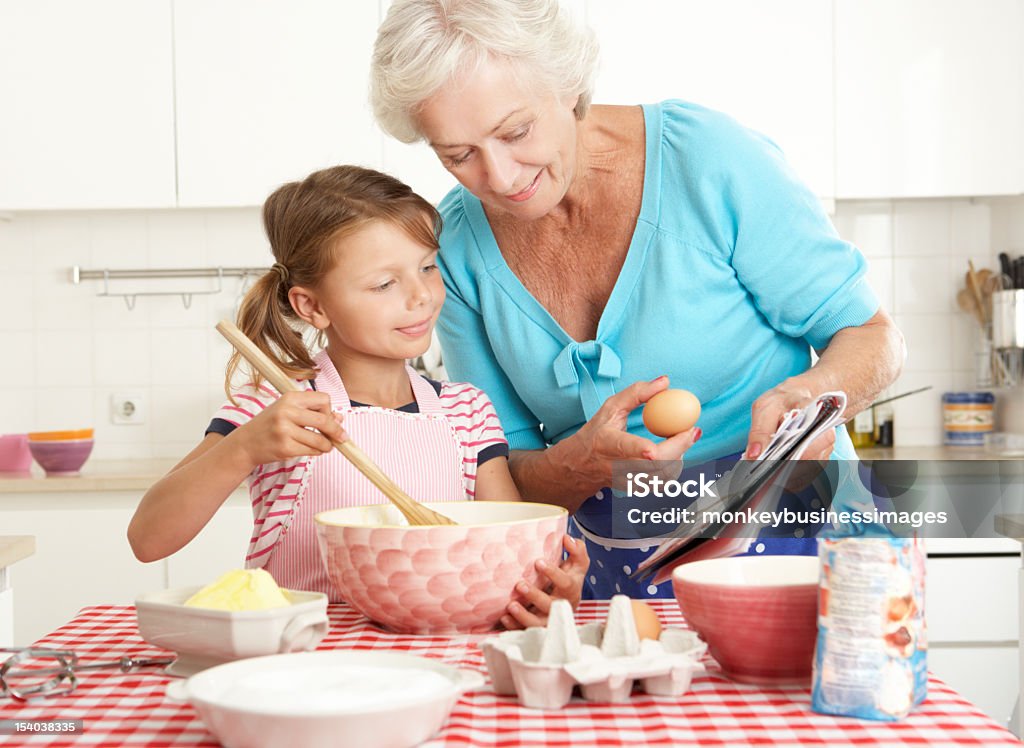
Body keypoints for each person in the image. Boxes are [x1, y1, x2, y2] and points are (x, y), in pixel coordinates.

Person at [370, 0, 906, 599]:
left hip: (799, 543)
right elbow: (502, 470)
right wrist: (578, 461)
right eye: (458, 155)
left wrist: (805, 397)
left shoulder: (706, 160)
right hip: (613, 577)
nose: (498, 176)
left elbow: (872, 335)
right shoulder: (456, 248)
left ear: (569, 84)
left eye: (516, 131)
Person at [127, 165, 588, 629]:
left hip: (436, 651)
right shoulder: (276, 409)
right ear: (313, 306)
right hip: (300, 656)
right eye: (384, 284)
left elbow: (506, 552)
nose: (420, 296)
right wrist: (244, 447)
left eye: (428, 266)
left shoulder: (465, 412)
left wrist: (550, 591)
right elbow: (148, 539)